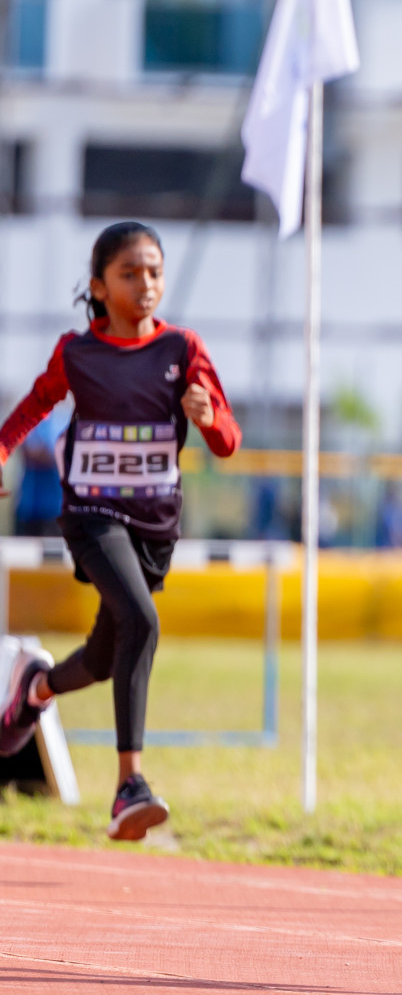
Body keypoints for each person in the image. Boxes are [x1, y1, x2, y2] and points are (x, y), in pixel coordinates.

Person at [0, 221, 241, 841]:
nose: (146, 284)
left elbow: (228, 442)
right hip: (91, 515)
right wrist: (0, 449)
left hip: (155, 525)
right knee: (142, 621)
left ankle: (36, 686)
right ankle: (128, 784)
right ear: (99, 286)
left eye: (155, 271)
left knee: (110, 654)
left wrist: (209, 418)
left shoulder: (183, 350)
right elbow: (35, 403)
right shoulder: (78, 354)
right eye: (130, 273)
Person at [12, 408, 65, 536]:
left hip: (53, 509)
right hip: (27, 508)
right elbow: (23, 449)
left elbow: (56, 455)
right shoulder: (28, 419)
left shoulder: (62, 418)